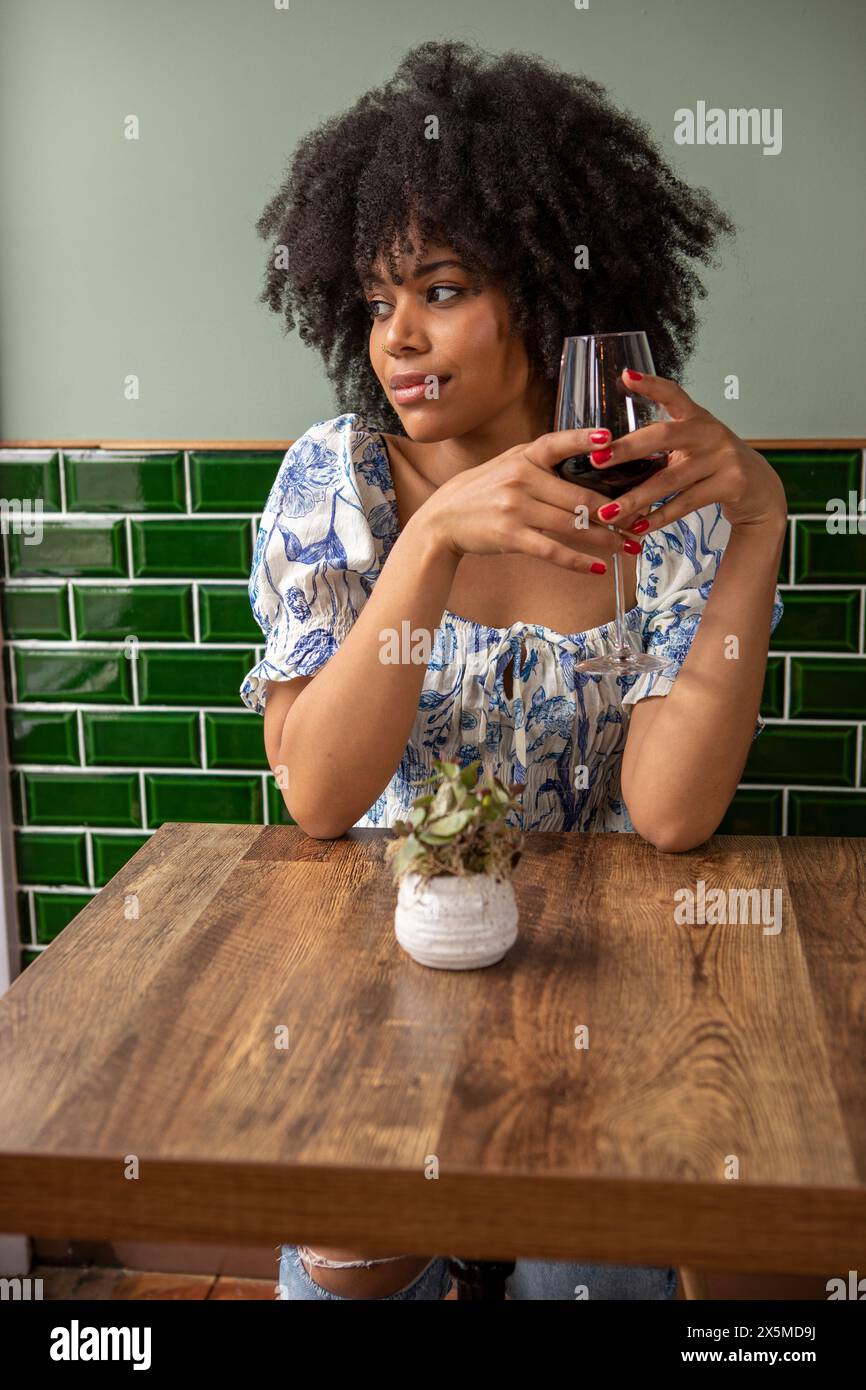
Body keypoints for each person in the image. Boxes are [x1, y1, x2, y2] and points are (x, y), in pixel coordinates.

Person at [240, 39, 787, 1300]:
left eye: (437, 289)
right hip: (382, 982)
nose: (397, 337)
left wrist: (757, 525)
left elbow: (669, 811)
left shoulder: (654, 489)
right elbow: (319, 798)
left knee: (589, 1279)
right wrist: (430, 539)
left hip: (606, 995)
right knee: (343, 1277)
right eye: (379, 302)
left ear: (543, 295)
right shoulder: (337, 484)